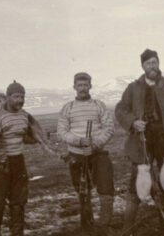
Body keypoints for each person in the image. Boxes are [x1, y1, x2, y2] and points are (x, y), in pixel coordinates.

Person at [115, 49, 164, 234]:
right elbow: (120, 110)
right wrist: (133, 122)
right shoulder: (133, 88)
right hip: (142, 142)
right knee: (136, 185)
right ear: (143, 66)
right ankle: (127, 229)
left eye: (155, 62)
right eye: (148, 63)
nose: (153, 66)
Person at [57, 72, 115, 234]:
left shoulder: (99, 105)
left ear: (90, 86)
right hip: (76, 156)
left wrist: (95, 145)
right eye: (79, 85)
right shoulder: (68, 108)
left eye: (85, 85)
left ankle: (104, 227)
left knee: (106, 191)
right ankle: (87, 229)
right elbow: (61, 132)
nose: (82, 88)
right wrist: (79, 141)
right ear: (74, 87)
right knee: (83, 193)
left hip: (98, 154)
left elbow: (109, 128)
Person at [0, 81, 37, 235]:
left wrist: (37, 138)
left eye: (22, 97)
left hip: (18, 161)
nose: (20, 100)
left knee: (18, 202)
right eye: (16, 96)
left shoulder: (24, 116)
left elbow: (24, 137)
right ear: (7, 97)